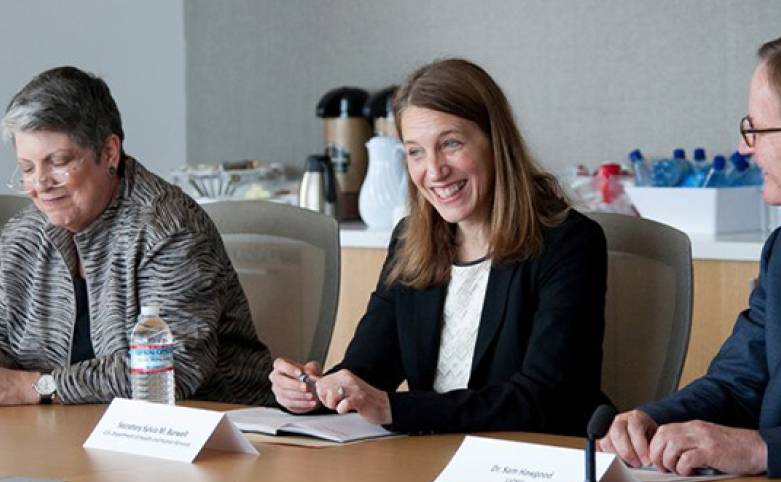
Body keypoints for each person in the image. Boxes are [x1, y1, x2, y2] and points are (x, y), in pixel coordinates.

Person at [599, 23, 781, 477]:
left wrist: (762, 450)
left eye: (756, 130)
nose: (744, 148)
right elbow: (738, 382)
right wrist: (655, 420)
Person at [270, 58, 609, 436]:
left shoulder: (569, 243)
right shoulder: (410, 241)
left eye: (450, 144)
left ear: (496, 142)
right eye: (415, 152)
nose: (433, 171)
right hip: (432, 462)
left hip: (532, 465)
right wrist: (315, 391)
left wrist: (391, 407)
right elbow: (368, 370)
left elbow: (544, 398)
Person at [0, 66, 273, 405]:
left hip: (215, 429)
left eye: (58, 161)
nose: (40, 183)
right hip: (74, 430)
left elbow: (171, 371)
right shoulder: (22, 237)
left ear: (110, 152)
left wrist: (33, 388)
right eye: (27, 168)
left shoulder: (169, 229)